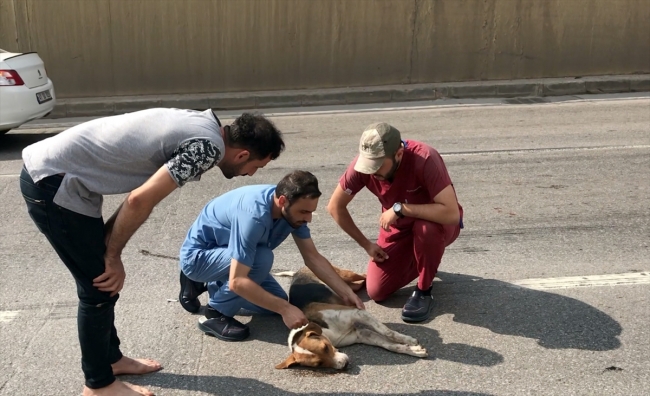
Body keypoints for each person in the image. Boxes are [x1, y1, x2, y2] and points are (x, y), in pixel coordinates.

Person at [19, 108, 284, 396]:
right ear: (243, 154)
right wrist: (112, 255)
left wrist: (108, 244)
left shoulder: (205, 125)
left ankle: (112, 360)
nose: (251, 174)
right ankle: (98, 385)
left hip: (64, 179)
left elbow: (140, 195)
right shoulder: (207, 148)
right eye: (257, 166)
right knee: (98, 286)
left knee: (103, 282)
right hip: (53, 183)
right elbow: (138, 201)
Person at [178, 170, 365, 341]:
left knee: (275, 304)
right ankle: (215, 313)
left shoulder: (291, 211)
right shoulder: (253, 216)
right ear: (283, 201)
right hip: (198, 258)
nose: (309, 218)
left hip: (233, 257)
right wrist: (286, 310)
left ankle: (215, 282)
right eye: (304, 212)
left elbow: (313, 257)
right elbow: (237, 281)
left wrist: (345, 292)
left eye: (311, 211)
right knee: (263, 260)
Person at [327, 122, 463, 323]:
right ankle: (424, 259)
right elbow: (335, 207)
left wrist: (402, 208)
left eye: (378, 165)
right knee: (377, 291)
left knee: (425, 230)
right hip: (399, 228)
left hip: (437, 223)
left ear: (399, 154)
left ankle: (424, 290)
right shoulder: (364, 165)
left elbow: (452, 214)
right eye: (368, 165)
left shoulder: (425, 159)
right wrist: (367, 245)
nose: (371, 172)